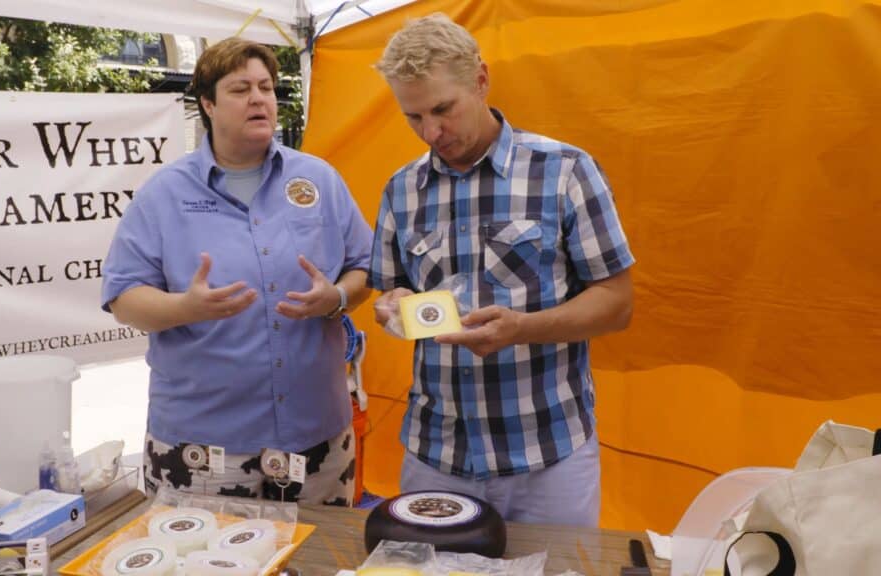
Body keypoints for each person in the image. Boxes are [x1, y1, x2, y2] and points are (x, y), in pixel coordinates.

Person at [369, 13, 635, 526]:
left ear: (481, 79)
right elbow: (392, 287)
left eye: (443, 109)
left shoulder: (565, 170)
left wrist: (523, 329)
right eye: (414, 117)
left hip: (547, 454)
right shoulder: (400, 189)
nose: (432, 131)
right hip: (436, 455)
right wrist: (392, 306)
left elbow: (617, 303)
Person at [101, 37, 373, 506]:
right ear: (207, 103)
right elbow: (124, 298)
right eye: (240, 88)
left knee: (319, 562)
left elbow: (365, 266)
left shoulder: (319, 179)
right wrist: (184, 307)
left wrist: (338, 298)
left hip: (317, 440)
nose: (259, 98)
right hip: (204, 450)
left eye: (267, 87)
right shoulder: (163, 194)